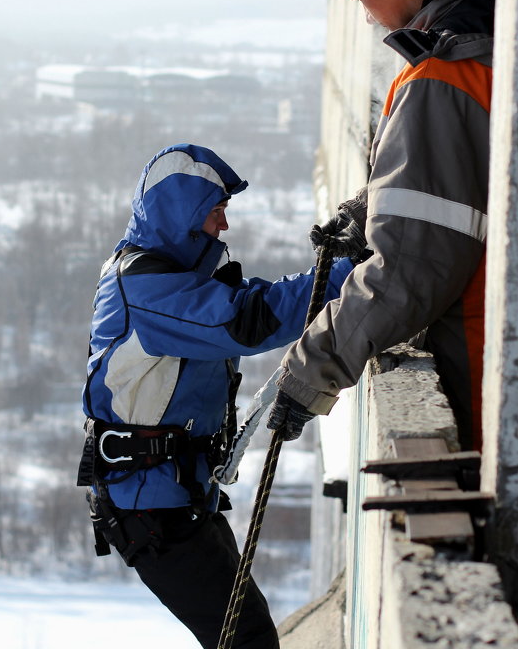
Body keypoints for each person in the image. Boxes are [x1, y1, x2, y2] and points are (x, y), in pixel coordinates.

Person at [77, 143, 353, 649]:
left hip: (179, 499)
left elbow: (254, 302)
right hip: (150, 510)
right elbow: (248, 320)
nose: (223, 227)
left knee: (245, 633)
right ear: (182, 214)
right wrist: (347, 274)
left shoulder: (175, 280)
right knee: (245, 639)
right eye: (215, 212)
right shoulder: (143, 290)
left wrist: (337, 272)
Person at [268, 0, 496, 452]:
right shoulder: (496, 32)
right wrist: (370, 208)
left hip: (491, 362)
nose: (365, 14)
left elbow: (413, 264)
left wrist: (312, 368)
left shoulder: (442, 76)